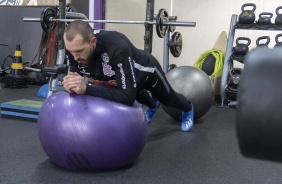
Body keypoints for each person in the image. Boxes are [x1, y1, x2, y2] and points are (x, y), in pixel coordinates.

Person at [62, 20, 194, 132]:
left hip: (146, 71)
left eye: (79, 51)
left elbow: (127, 98)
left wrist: (87, 89)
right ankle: (153, 105)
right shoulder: (74, 49)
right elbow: (73, 78)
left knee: (169, 99)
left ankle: (188, 108)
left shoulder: (117, 48)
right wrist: (70, 84)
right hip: (120, 76)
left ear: (93, 42)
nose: (75, 57)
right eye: (71, 52)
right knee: (140, 95)